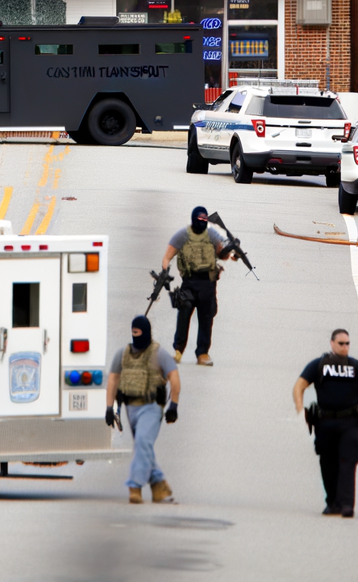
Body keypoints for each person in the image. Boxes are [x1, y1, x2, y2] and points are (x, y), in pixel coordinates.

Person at [293, 329, 358, 518]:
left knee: (348, 462)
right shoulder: (320, 365)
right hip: (325, 423)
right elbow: (299, 386)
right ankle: (332, 502)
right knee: (328, 462)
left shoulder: (356, 367)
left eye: (347, 343)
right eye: (341, 343)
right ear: (332, 343)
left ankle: (347, 504)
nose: (345, 347)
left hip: (349, 423)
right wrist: (301, 412)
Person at [105, 315, 181, 504]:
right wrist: (109, 408)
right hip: (131, 408)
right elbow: (113, 379)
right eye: (134, 332)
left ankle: (135, 485)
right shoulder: (123, 354)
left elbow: (174, 378)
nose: (136, 336)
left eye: (139, 332)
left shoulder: (158, 354)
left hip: (152, 408)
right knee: (143, 446)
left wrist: (174, 405)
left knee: (142, 442)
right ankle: (158, 486)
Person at [161, 206, 232, 366]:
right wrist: (164, 273)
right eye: (199, 220)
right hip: (189, 282)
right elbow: (167, 257)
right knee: (184, 314)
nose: (202, 223)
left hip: (208, 282)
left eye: (204, 220)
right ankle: (178, 350)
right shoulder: (182, 235)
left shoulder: (212, 234)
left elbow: (224, 255)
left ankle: (203, 353)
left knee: (206, 318)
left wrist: (229, 251)